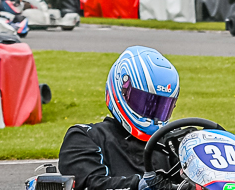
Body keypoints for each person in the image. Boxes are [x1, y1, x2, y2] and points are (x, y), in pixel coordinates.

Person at [59, 46, 181, 190]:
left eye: (161, 106)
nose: (152, 115)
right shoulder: (85, 137)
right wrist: (139, 186)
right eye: (144, 102)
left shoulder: (171, 144)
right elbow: (90, 184)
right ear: (122, 89)